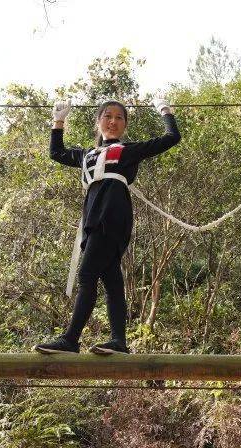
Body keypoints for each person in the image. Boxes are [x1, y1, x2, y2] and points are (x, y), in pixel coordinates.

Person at [35, 98, 181, 354]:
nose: (112, 121)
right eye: (107, 116)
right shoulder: (86, 155)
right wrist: (58, 121)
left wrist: (165, 111)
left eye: (119, 118)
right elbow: (56, 153)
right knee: (111, 280)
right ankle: (119, 342)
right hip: (93, 218)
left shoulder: (128, 150)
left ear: (125, 125)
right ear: (98, 121)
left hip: (111, 215)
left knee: (87, 275)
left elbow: (171, 137)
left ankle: (70, 340)